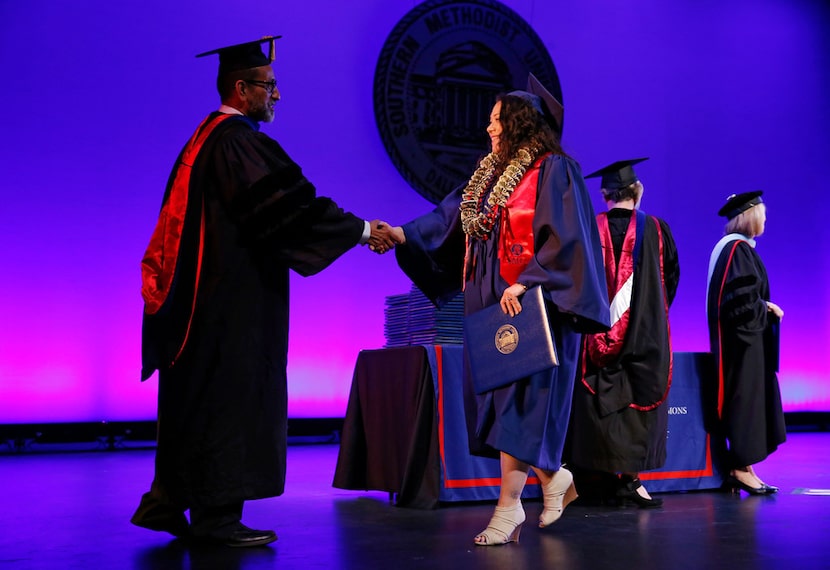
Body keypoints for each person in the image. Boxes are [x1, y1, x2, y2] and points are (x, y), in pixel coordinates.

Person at [130, 36, 396, 547]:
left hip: (203, 305)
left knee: (195, 402)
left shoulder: (205, 139)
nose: (276, 96)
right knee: (230, 400)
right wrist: (362, 231)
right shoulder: (236, 141)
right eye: (269, 86)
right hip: (231, 308)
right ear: (241, 87)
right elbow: (291, 208)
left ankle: (166, 502)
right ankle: (217, 520)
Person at [383, 75, 610, 545]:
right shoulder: (488, 175)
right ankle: (553, 477)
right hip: (488, 298)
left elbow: (566, 240)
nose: (488, 129)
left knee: (521, 403)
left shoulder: (554, 170)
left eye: (495, 120)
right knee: (498, 400)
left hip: (534, 303)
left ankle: (508, 509)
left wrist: (528, 280)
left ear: (518, 123)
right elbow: (449, 219)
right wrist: (402, 234)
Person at [566, 158, 680, 508]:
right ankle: (632, 480)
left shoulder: (586, 227)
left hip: (592, 334)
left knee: (594, 400)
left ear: (604, 195)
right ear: (637, 191)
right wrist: (650, 316)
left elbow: (571, 279)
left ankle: (589, 480)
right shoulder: (658, 230)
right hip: (645, 335)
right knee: (637, 400)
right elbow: (670, 280)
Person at [706, 191, 785, 495]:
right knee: (745, 401)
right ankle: (739, 467)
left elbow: (743, 298)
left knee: (749, 400)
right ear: (751, 216)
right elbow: (739, 305)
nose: (765, 219)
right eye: (763, 214)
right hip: (742, 345)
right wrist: (764, 310)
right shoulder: (736, 250)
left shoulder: (736, 250)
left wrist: (762, 306)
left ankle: (744, 465)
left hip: (744, 342)